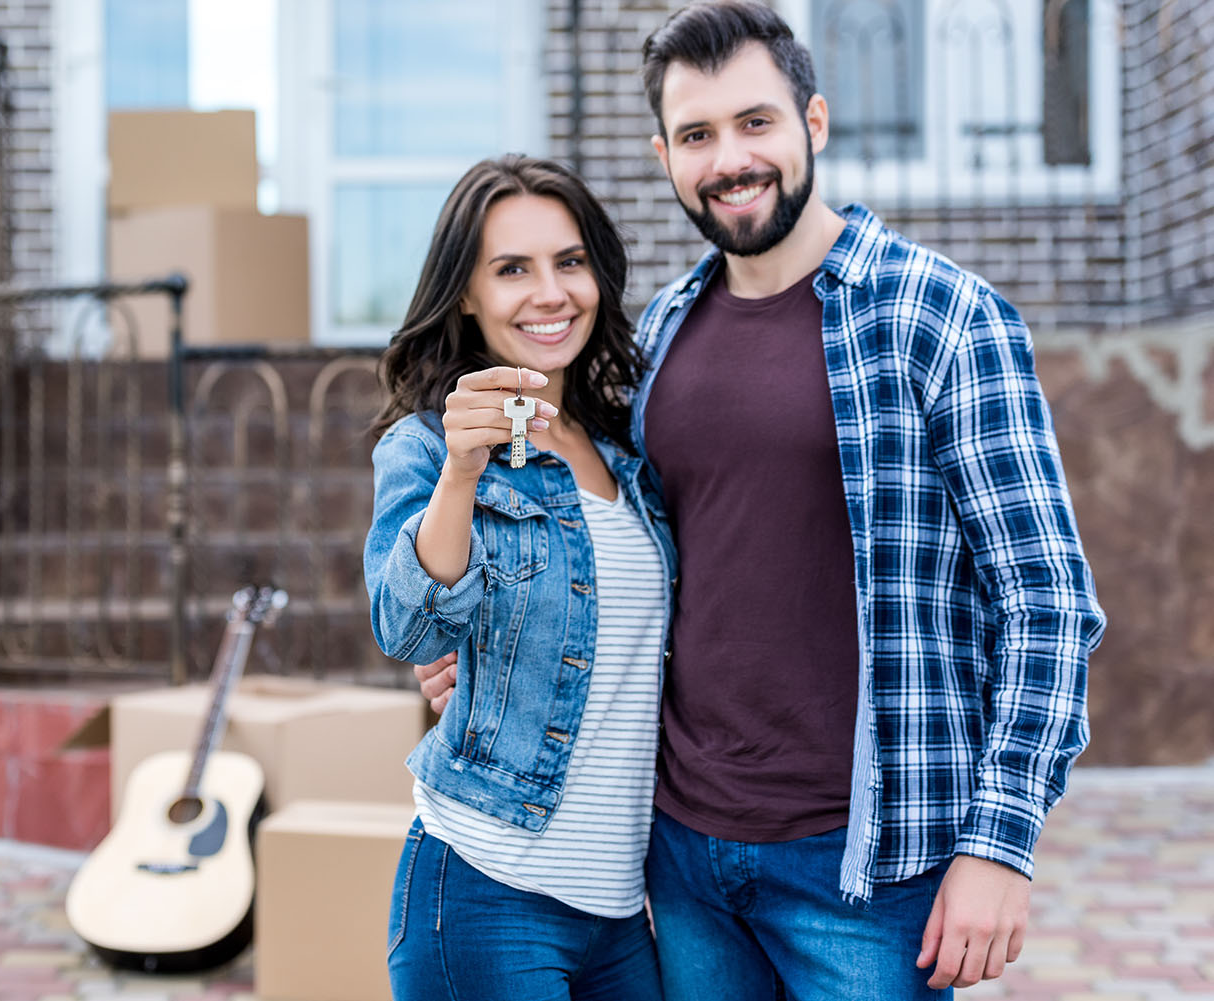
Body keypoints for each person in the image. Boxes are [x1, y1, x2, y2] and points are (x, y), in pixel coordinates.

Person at [412, 4, 1107, 1000]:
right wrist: (501, 653)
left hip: (865, 870)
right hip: (685, 859)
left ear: (813, 123)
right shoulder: (659, 333)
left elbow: (1048, 602)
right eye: (697, 135)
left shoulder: (942, 317)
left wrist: (1001, 843)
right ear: (664, 154)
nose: (729, 159)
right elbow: (637, 559)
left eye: (755, 123)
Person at [365, 154, 676, 1000]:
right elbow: (411, 630)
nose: (550, 293)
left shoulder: (630, 452)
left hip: (620, 908)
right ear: (466, 293)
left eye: (569, 261)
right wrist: (462, 472)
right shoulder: (427, 447)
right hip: (486, 886)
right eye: (512, 269)